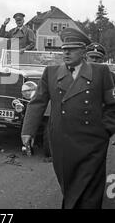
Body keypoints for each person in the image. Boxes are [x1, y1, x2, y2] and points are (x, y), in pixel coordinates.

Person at [21, 27, 115, 209]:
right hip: (62, 141)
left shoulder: (101, 73)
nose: (66, 53)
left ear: (83, 51)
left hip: (93, 143)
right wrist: (28, 131)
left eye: (71, 49)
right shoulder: (51, 72)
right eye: (64, 49)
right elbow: (37, 102)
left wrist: (105, 131)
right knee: (69, 186)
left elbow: (112, 106)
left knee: (90, 192)